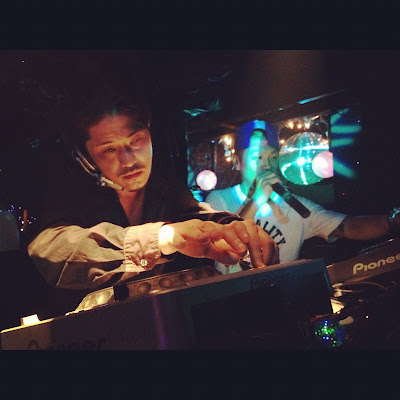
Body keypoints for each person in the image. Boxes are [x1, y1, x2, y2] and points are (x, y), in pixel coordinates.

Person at [27, 93, 279, 291]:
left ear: (149, 132)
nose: (128, 160)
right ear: (86, 159)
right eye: (109, 150)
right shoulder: (70, 193)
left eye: (136, 140)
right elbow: (49, 248)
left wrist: (233, 229)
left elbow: (196, 216)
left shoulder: (166, 188)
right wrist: (165, 237)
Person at [206, 120, 400, 273]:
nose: (266, 165)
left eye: (273, 157)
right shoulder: (218, 200)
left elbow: (347, 227)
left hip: (282, 298)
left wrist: (391, 220)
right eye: (257, 157)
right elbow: (222, 242)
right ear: (238, 162)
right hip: (232, 302)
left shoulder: (296, 206)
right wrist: (257, 200)